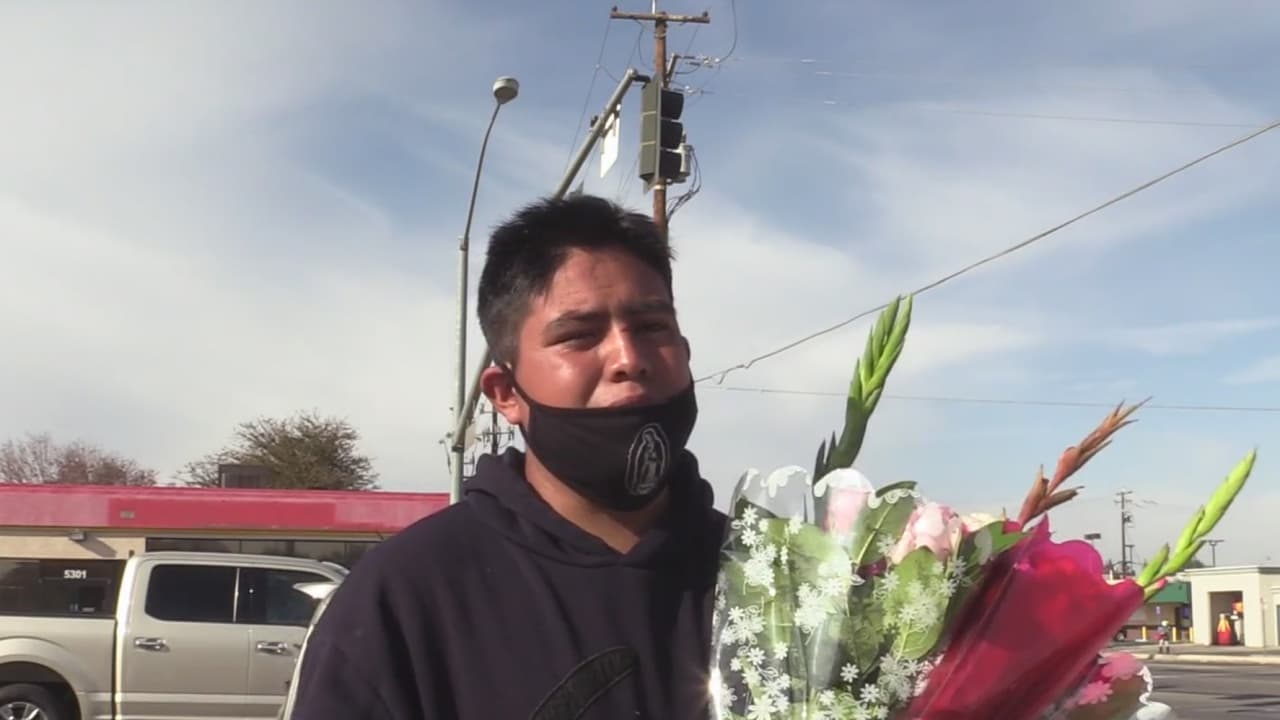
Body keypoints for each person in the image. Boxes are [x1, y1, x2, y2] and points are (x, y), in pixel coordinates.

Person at [282, 194, 727, 719]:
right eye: (579, 336)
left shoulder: (777, 580)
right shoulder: (405, 596)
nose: (629, 360)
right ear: (505, 394)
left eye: (653, 327)